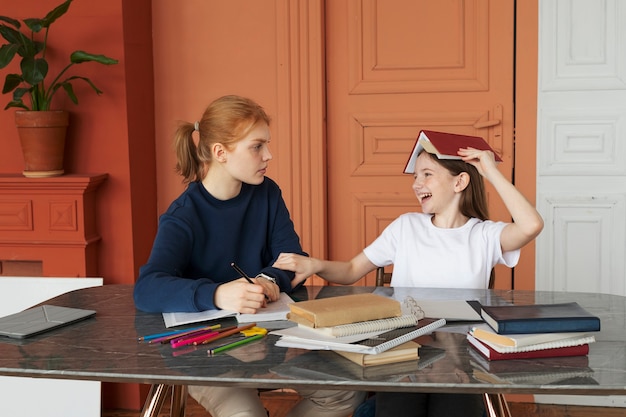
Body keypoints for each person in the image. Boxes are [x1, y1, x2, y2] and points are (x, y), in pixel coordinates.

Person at [133, 95, 364, 417]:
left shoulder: (267, 193)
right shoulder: (183, 216)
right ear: (220, 153)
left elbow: (292, 255)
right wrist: (218, 294)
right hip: (208, 353)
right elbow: (147, 289)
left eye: (266, 145)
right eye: (257, 146)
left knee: (346, 392)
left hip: (269, 340)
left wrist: (269, 279)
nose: (268, 155)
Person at [273, 145, 544, 417]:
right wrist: (316, 265)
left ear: (460, 182)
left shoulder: (483, 235)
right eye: (415, 176)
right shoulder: (406, 227)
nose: (417, 184)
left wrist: (491, 173)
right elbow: (352, 269)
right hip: (404, 351)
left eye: (426, 174)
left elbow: (531, 225)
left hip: (459, 357)